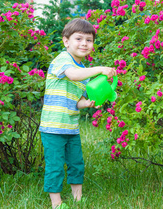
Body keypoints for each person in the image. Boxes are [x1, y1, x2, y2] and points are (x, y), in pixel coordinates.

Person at [39, 18, 116, 209]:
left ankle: (78, 199)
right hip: (53, 127)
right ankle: (56, 203)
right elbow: (72, 75)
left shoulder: (83, 70)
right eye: (79, 39)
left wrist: (87, 103)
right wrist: (100, 69)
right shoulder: (63, 60)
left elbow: (76, 101)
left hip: (71, 127)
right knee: (55, 166)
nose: (84, 43)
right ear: (66, 41)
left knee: (76, 163)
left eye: (89, 40)